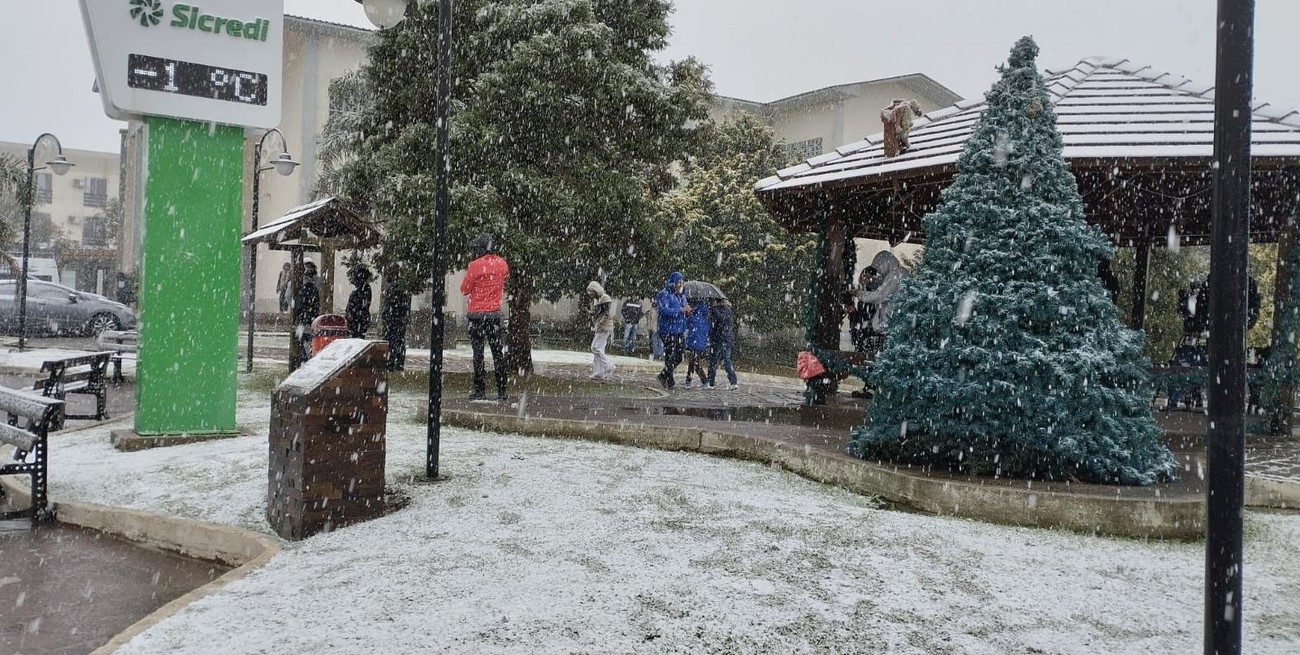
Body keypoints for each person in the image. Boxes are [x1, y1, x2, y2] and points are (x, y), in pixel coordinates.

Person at [459, 234, 509, 401]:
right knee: (497, 353)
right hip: (494, 315)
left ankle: (480, 389)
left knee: (478, 353)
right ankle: (502, 391)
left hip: (476, 316)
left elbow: (464, 289)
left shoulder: (474, 266)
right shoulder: (502, 264)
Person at [654, 272, 691, 389]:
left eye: (682, 282)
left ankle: (664, 375)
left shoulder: (682, 296)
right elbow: (664, 311)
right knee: (670, 355)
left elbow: (684, 309)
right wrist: (681, 310)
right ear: (673, 283)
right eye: (679, 282)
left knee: (679, 355)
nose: (681, 285)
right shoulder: (663, 294)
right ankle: (669, 380)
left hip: (679, 329)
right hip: (667, 330)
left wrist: (688, 312)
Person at [706, 298, 738, 390]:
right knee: (712, 360)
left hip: (724, 338)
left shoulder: (726, 309)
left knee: (726, 360)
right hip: (717, 338)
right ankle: (711, 381)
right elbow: (713, 323)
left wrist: (714, 308)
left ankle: (733, 381)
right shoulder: (716, 309)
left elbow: (721, 319)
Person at [587, 281, 616, 380]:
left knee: (595, 348)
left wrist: (600, 322)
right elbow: (598, 313)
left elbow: (606, 313)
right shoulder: (597, 300)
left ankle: (609, 366)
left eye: (592, 293)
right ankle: (599, 373)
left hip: (604, 327)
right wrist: (590, 313)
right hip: (599, 326)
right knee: (599, 350)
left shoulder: (605, 298)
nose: (591, 296)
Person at [293, 261, 320, 365]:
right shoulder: (301, 282)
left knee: (305, 338)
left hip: (308, 316)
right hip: (307, 316)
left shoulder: (305, 283)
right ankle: (305, 359)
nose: (308, 270)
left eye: (310, 268)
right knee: (304, 338)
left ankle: (305, 359)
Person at [683, 297, 710, 388]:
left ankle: (705, 381)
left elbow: (686, 324)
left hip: (695, 343)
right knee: (692, 362)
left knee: (695, 363)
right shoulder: (704, 318)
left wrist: (687, 313)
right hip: (700, 343)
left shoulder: (693, 317)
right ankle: (688, 381)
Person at [345, 266, 373, 339]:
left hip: (359, 319)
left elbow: (363, 304)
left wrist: (352, 313)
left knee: (358, 337)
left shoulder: (365, 288)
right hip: (356, 319)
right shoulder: (358, 288)